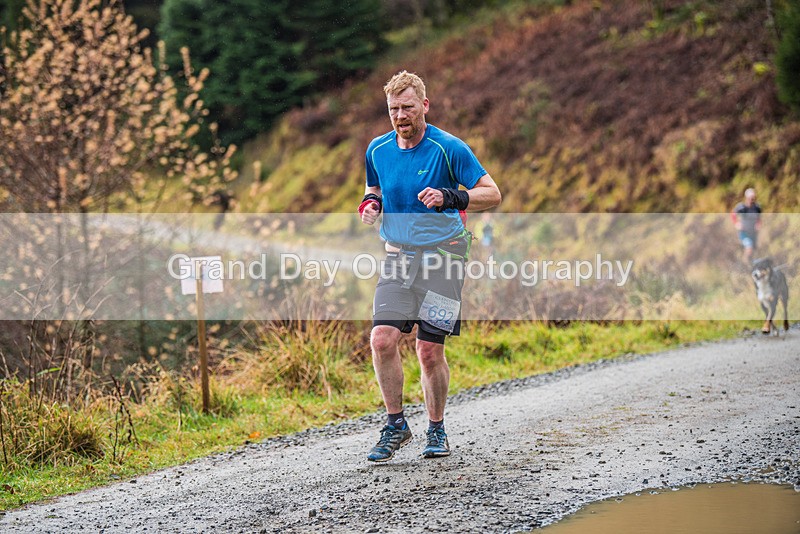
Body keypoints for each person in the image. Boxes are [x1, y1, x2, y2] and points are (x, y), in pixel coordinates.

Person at [359, 70, 501, 462]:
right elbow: (374, 189)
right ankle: (395, 425)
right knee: (382, 339)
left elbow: (492, 193)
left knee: (428, 351)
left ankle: (436, 429)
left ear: (424, 105)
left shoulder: (448, 147)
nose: (400, 116)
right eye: (393, 109)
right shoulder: (377, 149)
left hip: (445, 258)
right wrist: (370, 206)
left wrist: (449, 196)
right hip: (398, 257)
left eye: (407, 107)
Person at [731, 188, 761, 265]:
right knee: (749, 247)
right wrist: (736, 223)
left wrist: (758, 224)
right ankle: (745, 266)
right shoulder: (741, 207)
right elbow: (733, 214)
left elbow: (759, 218)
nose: (752, 200)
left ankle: (750, 266)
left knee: (753, 251)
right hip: (744, 233)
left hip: (753, 233)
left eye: (753, 198)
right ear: (746, 198)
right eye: (750, 198)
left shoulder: (757, 208)